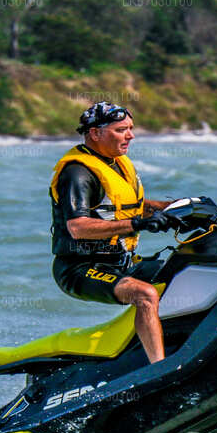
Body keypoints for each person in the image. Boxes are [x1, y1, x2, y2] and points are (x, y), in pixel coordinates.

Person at [50, 101, 178, 364]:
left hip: (121, 262)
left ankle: (183, 342)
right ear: (95, 133)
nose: (130, 135)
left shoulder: (117, 163)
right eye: (121, 130)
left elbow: (131, 207)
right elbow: (78, 227)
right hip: (80, 267)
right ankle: (159, 368)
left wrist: (177, 208)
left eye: (130, 128)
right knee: (145, 294)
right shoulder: (77, 173)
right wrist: (136, 224)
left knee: (183, 269)